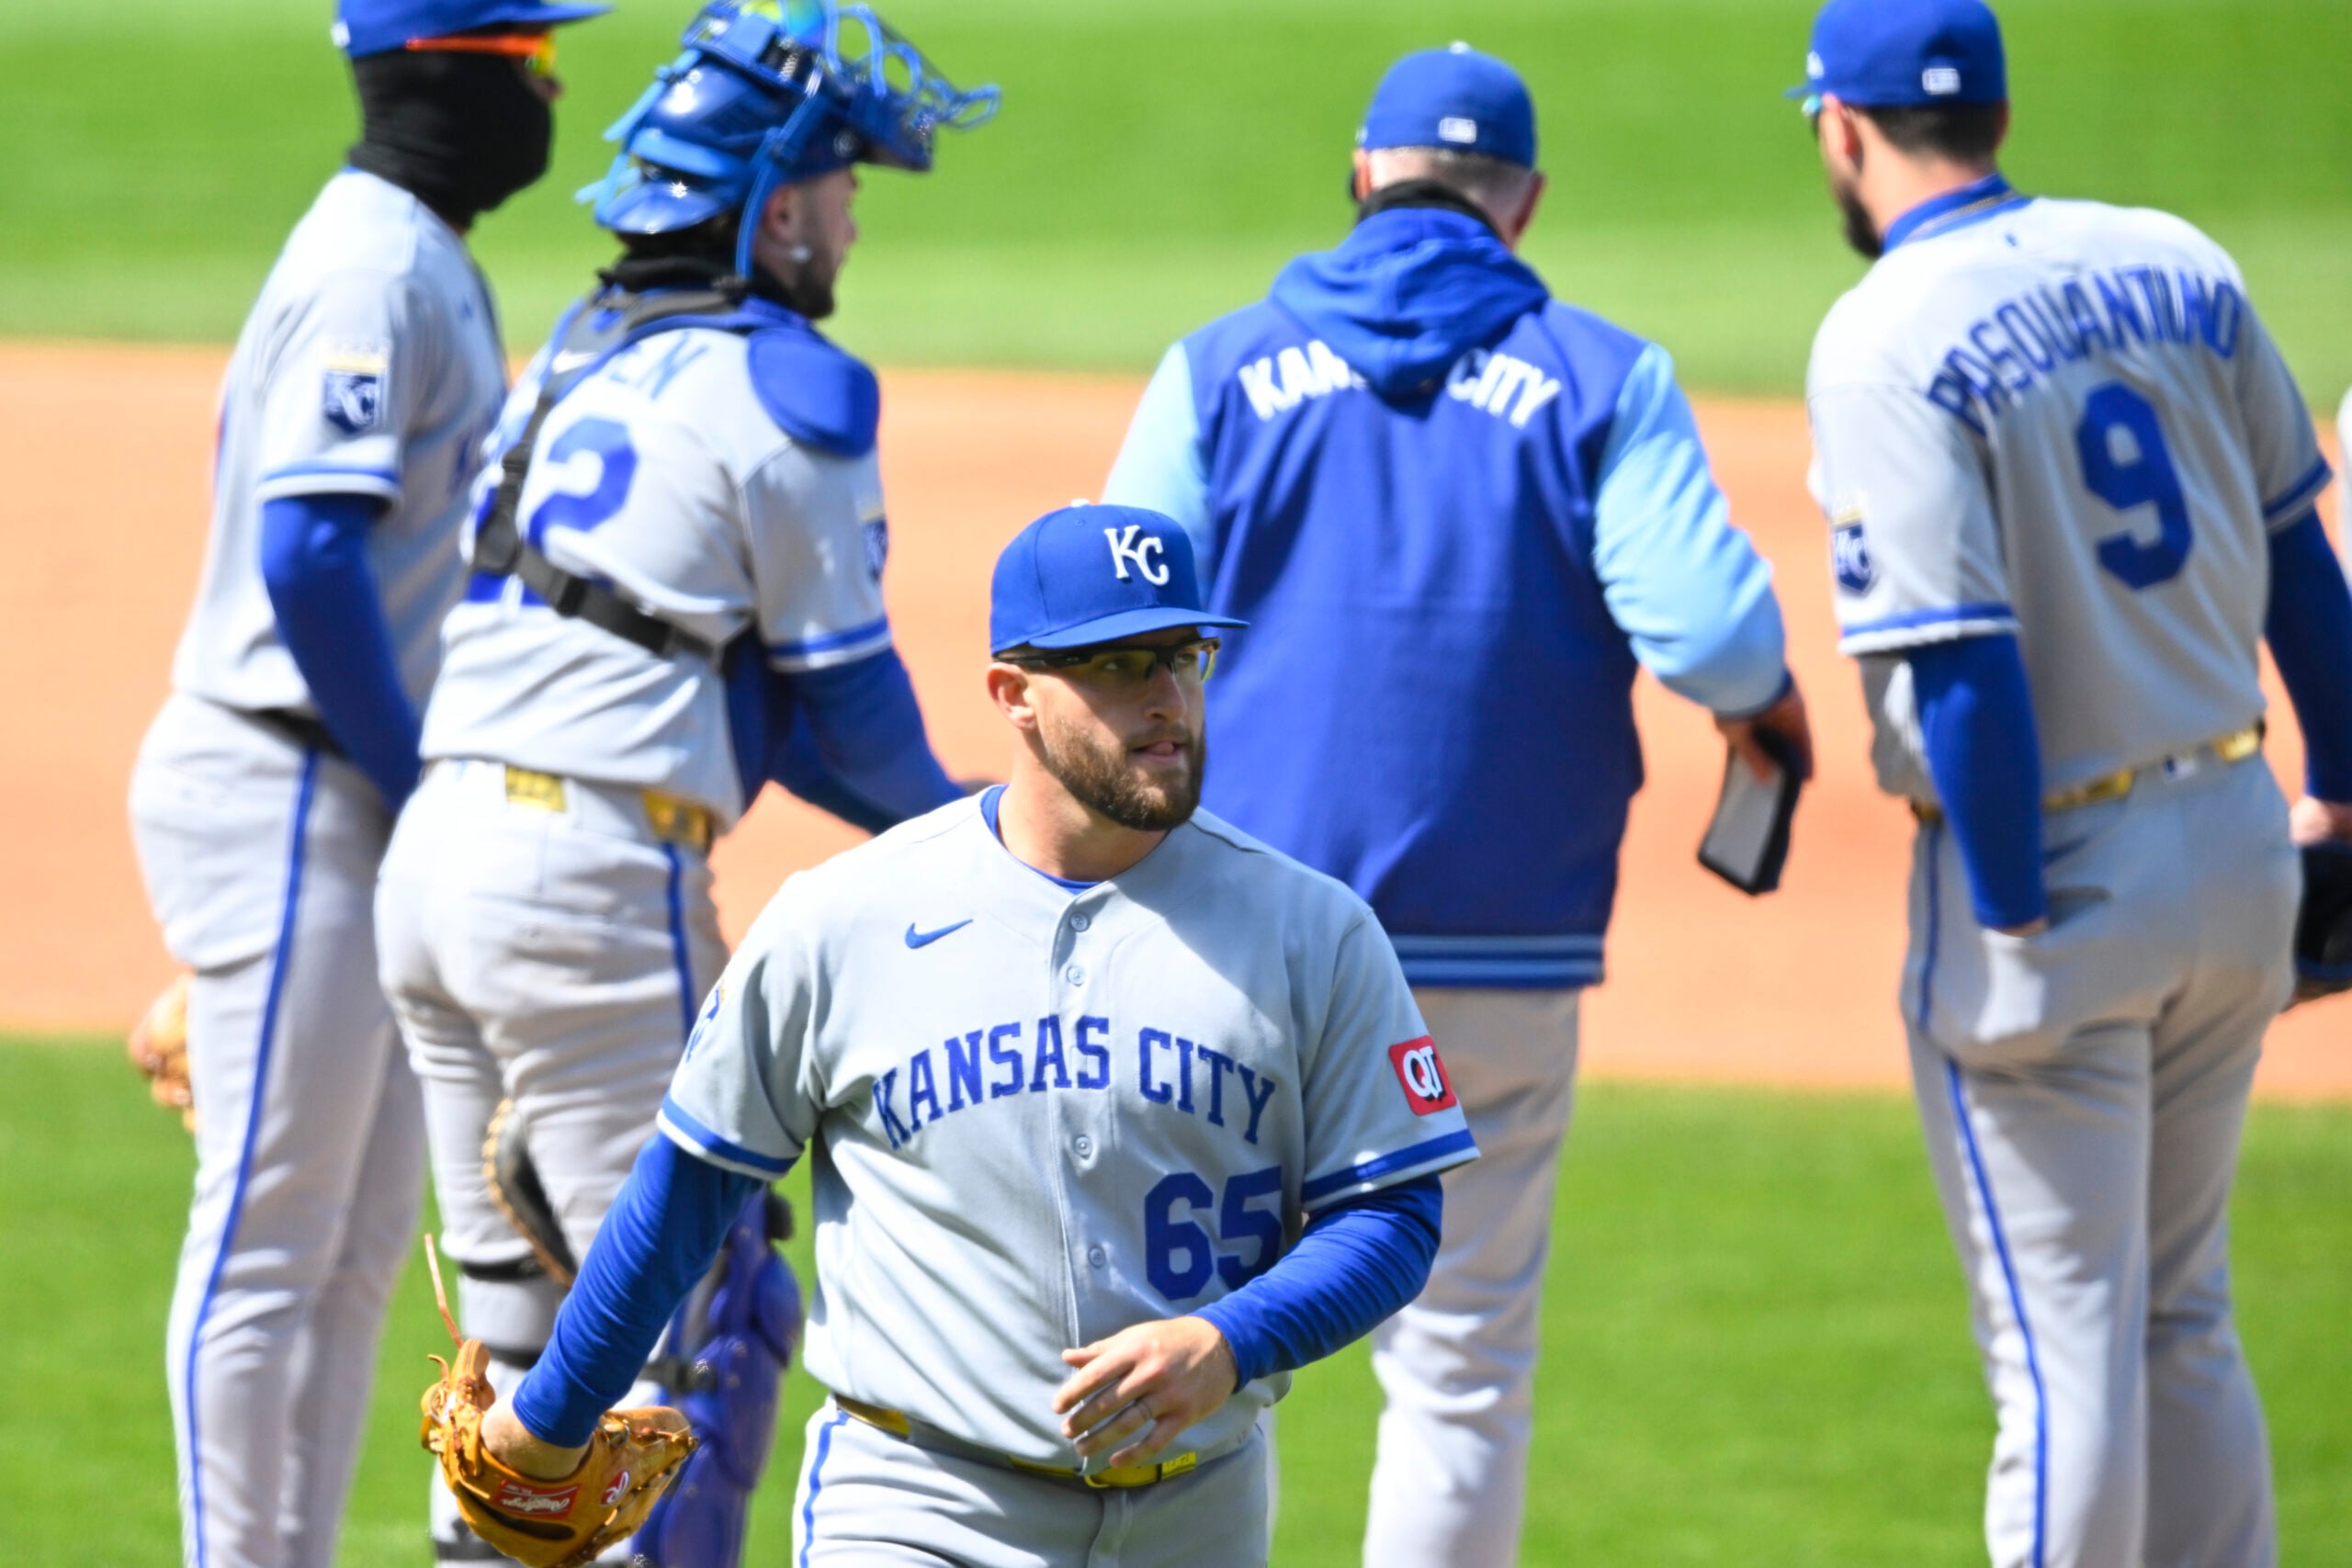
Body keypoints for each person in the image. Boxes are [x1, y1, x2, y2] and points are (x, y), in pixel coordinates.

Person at [437, 502, 1475, 1566]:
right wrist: (549, 1418)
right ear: (1013, 695)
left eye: (1182, 657)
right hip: (918, 1507)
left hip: (1199, 1515)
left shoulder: (1313, 930)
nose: (1166, 701)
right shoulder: (848, 917)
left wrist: (1231, 1339)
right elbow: (693, 1184)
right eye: (1118, 666)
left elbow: (1392, 1211)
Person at [1101, 42, 1809, 1568]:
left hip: (1239, 943)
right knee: (1464, 1371)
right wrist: (1763, 719)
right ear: (1524, 204)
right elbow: (1716, 637)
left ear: (1364, 178)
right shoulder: (1602, 377)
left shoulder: (1219, 369)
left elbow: (1112, 625)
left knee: (1196, 1344)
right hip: (1498, 950)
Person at [371, 2, 995, 1560]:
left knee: (514, 1377)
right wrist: (993, 848)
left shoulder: (576, 360)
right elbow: (843, 715)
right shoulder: (791, 390)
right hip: (586, 892)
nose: (853, 213)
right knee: (692, 1341)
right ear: (775, 205)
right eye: (845, 180)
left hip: (435, 865)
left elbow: (734, 686)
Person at [1790, 1, 2352, 1562]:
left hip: (2059, 874)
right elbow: (2308, 568)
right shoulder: (2178, 259)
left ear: (1840, 127)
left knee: (2063, 1349)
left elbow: (1961, 658)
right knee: (2185, 1308)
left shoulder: (1886, 335)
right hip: (2241, 839)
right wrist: (2344, 803)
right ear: (1999, 117)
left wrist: (2016, 917)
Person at [125, 1, 605, 1562]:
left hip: (338, 792)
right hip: (294, 778)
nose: (549, 82)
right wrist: (425, 781)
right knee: (272, 1245)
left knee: (345, 1260)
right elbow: (311, 548)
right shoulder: (376, 265)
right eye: (528, 53)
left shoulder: (417, 253)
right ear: (443, 68)